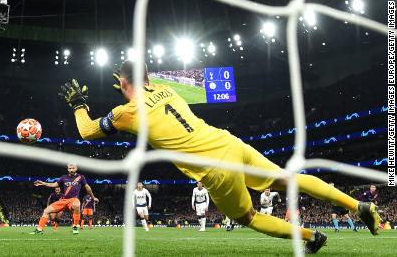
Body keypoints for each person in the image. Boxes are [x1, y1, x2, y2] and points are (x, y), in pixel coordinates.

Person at [59, 60, 381, 253]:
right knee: (288, 179)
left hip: (214, 169)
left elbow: (87, 131)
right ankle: (358, 206)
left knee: (248, 217)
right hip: (228, 141)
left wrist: (78, 105)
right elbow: (150, 82)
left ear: (123, 83)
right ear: (148, 78)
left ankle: (311, 236)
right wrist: (137, 80)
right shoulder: (169, 89)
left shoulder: (125, 111)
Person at [29, 163, 99, 235]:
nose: (71, 170)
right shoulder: (63, 177)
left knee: (77, 204)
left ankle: (75, 227)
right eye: (69, 168)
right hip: (63, 200)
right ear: (67, 169)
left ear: (76, 168)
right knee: (46, 210)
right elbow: (54, 184)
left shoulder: (81, 177)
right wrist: (44, 183)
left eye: (73, 168)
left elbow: (87, 187)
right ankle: (39, 230)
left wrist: (93, 197)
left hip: (73, 200)